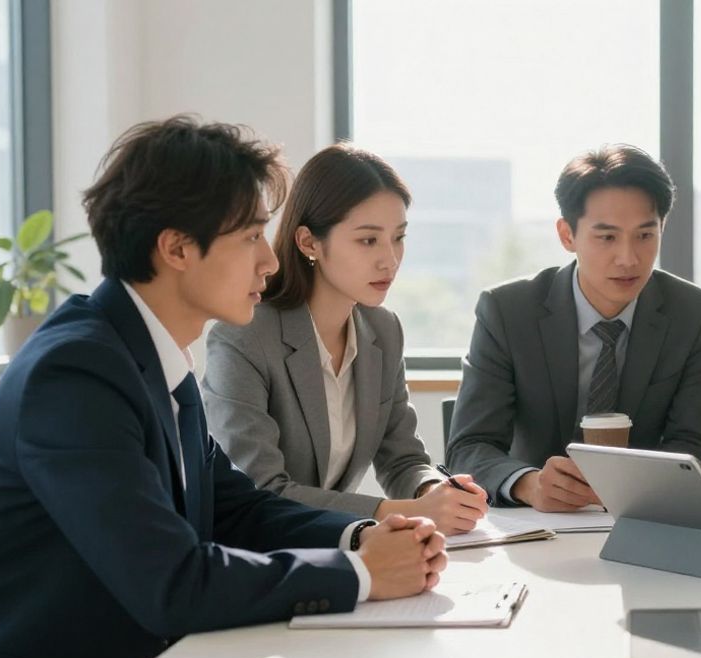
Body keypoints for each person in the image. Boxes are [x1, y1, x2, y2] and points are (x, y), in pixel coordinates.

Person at [0, 118, 447, 658]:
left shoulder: (149, 359)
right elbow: (172, 581)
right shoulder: (75, 373)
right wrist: (362, 575)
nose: (271, 261)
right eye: (251, 236)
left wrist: (360, 539)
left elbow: (239, 509)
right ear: (176, 249)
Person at [203, 144, 488, 535]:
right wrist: (401, 510)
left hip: (338, 546)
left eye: (399, 237)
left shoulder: (384, 331)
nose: (390, 259)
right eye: (368, 241)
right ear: (309, 243)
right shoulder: (244, 337)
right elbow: (262, 492)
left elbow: (402, 457)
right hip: (260, 555)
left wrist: (436, 491)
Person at [446, 144, 701, 512]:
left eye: (645, 235)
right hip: (532, 521)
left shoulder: (692, 312)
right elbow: (469, 446)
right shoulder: (508, 311)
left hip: (639, 516)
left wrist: (631, 489)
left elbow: (696, 444)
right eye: (606, 237)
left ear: (663, 228)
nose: (628, 258)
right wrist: (528, 484)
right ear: (567, 235)